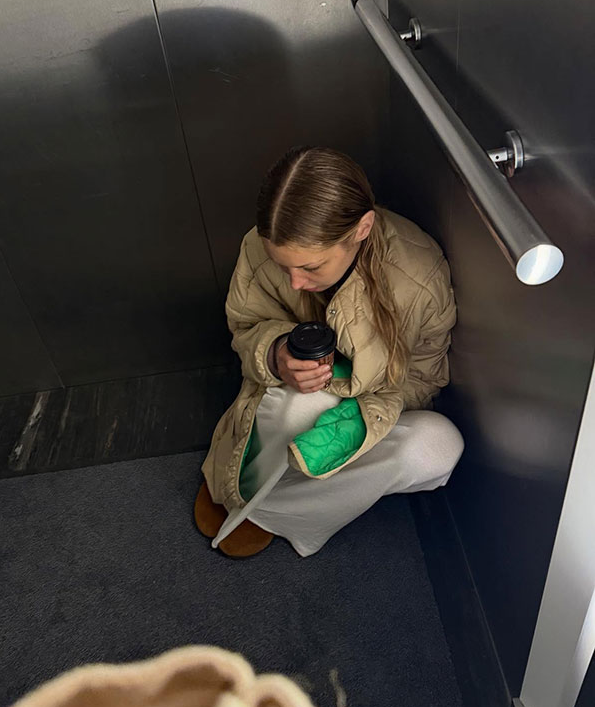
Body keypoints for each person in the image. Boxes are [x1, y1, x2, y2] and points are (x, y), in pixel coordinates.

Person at [195, 146, 464, 558]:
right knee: (300, 407)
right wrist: (275, 354)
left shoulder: (420, 276)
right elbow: (244, 327)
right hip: (291, 395)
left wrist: (359, 417)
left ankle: (268, 510)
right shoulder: (257, 247)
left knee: (438, 448)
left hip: (379, 404)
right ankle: (241, 485)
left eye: (311, 267)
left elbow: (425, 377)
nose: (296, 282)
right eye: (283, 266)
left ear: (362, 228)